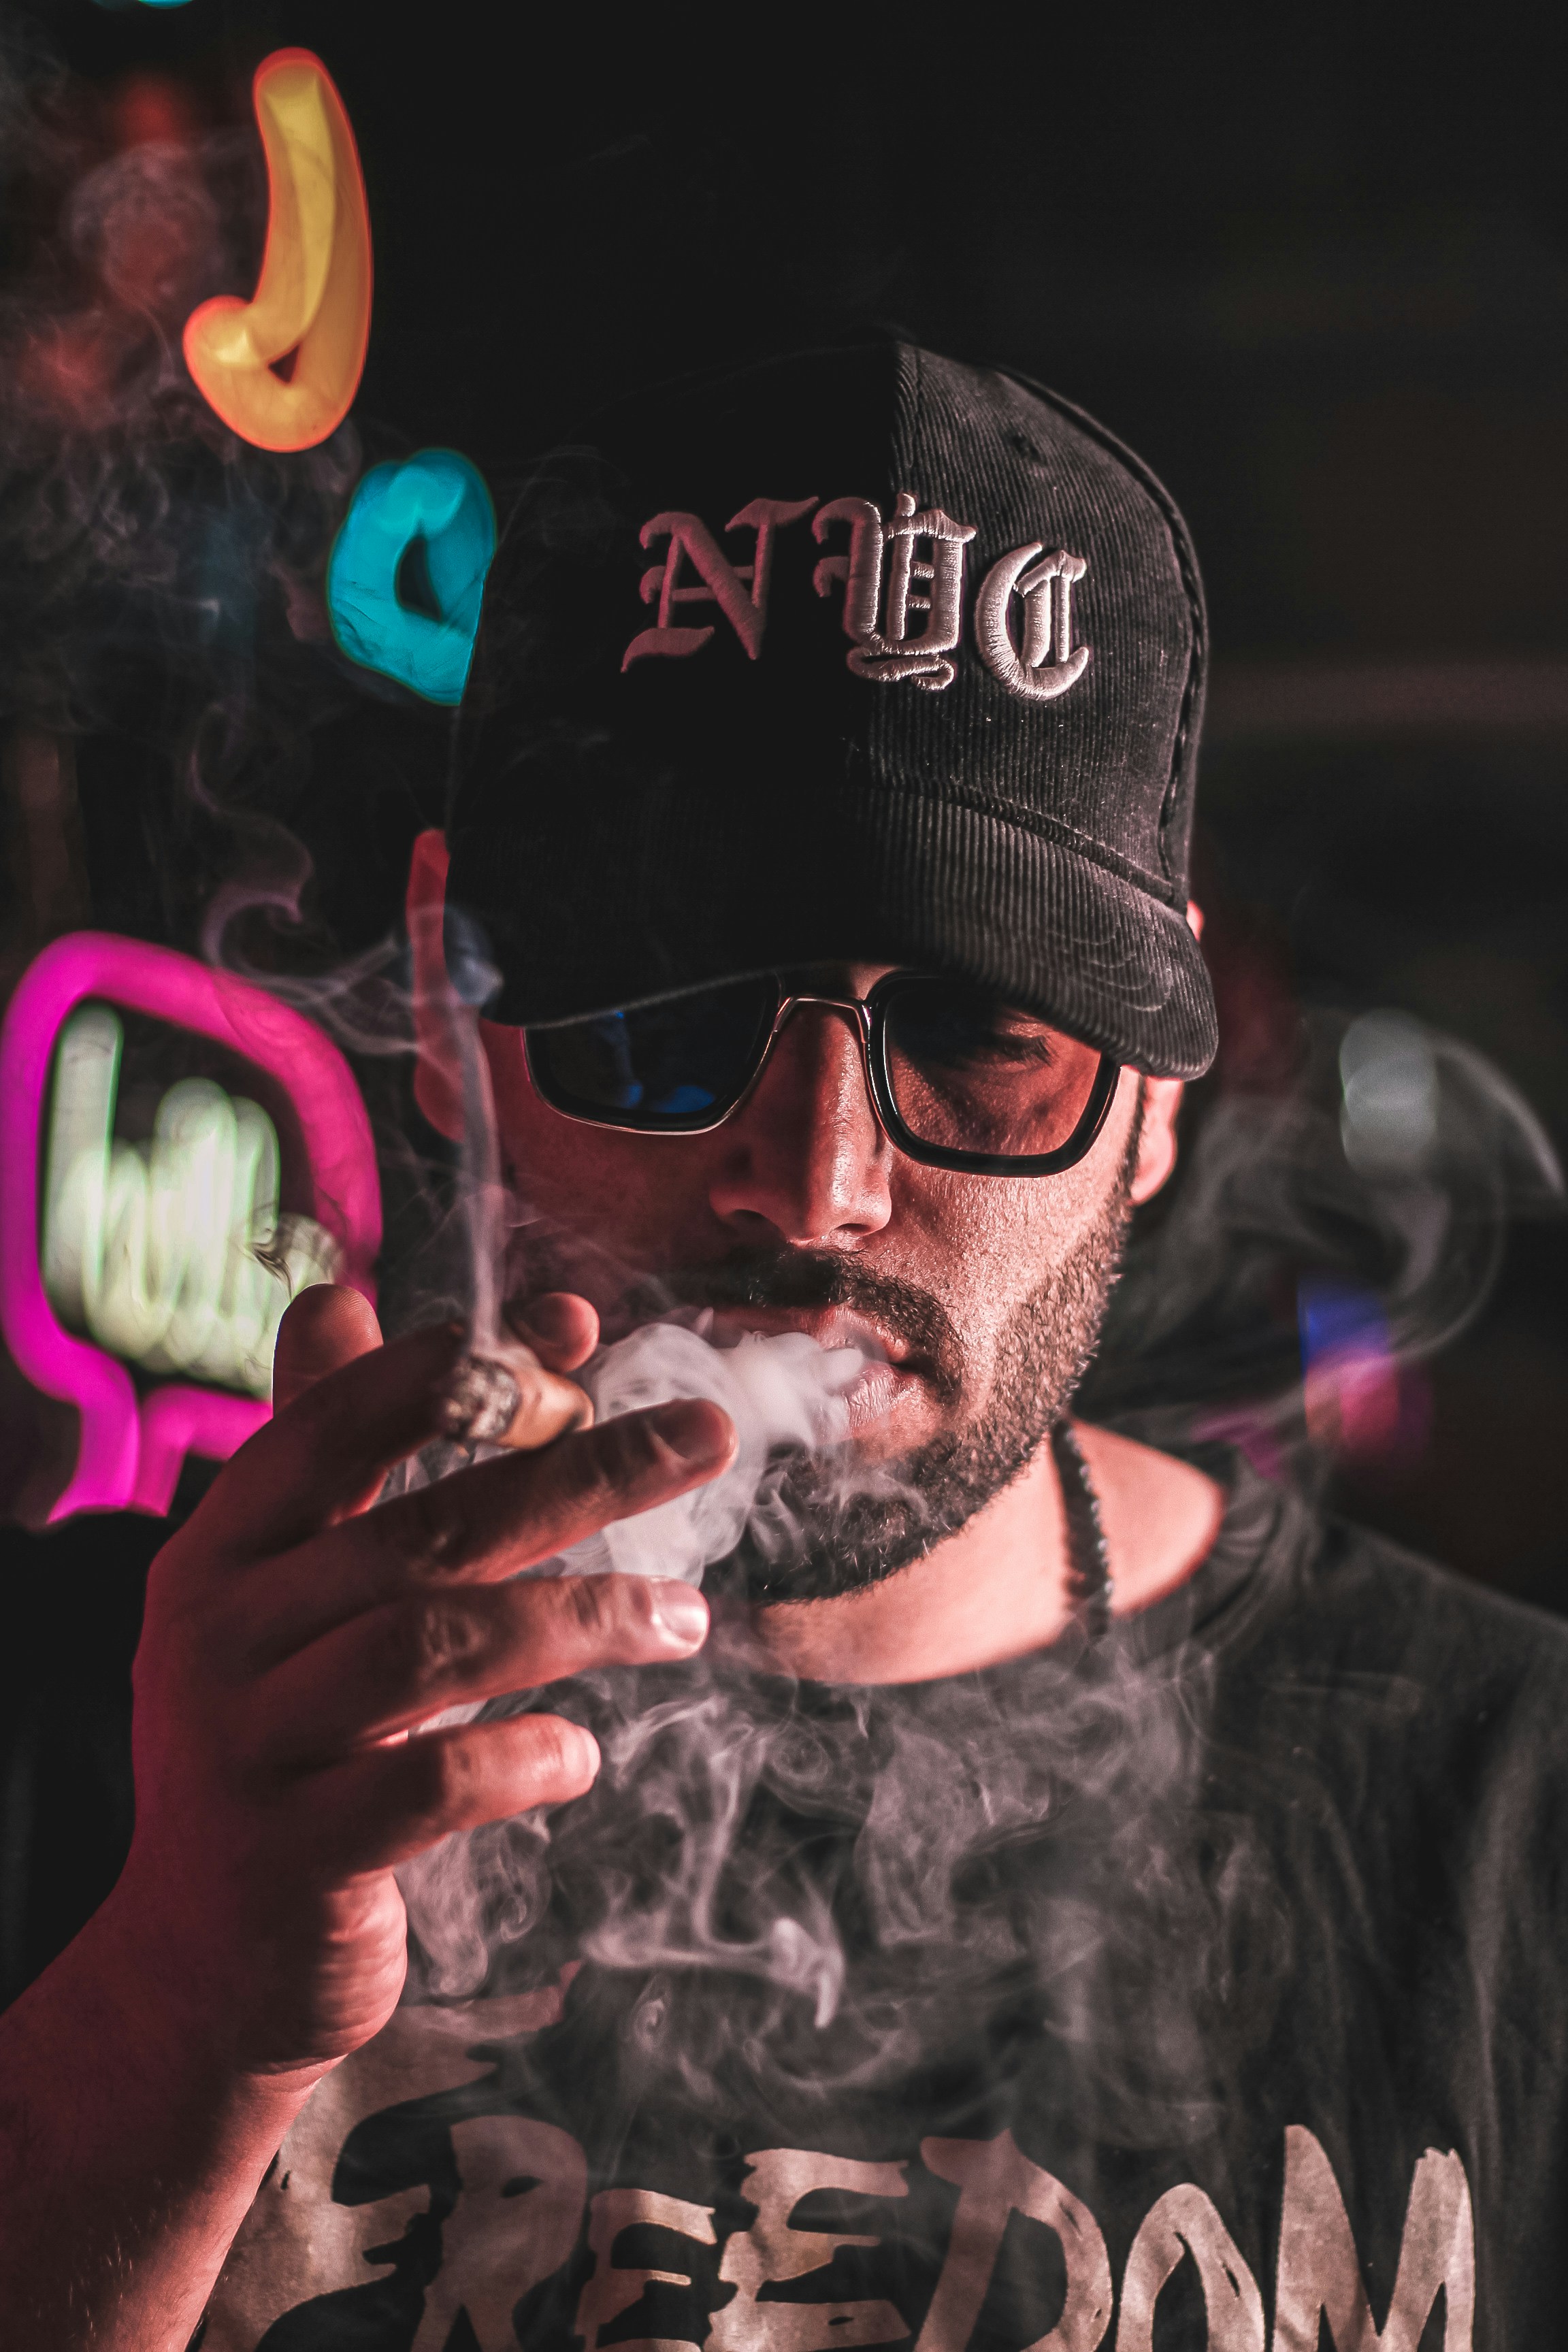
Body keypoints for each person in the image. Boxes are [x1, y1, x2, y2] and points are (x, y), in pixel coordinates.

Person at [1, 345, 1562, 2352]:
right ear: (438, 987)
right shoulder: (108, 1743)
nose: (810, 1183)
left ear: (1161, 1085)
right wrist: (170, 2000)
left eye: (985, 1038)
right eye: (667, 1008)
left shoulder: (1510, 1820)